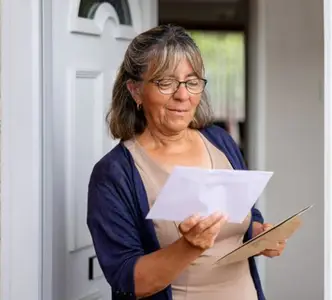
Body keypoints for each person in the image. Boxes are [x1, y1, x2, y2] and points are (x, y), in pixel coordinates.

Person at [86, 24, 286, 300]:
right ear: (135, 90)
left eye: (192, 82)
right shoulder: (114, 173)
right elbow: (127, 279)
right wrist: (189, 247)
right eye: (166, 82)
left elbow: (244, 215)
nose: (183, 95)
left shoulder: (220, 141)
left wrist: (261, 234)